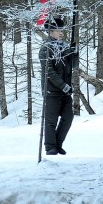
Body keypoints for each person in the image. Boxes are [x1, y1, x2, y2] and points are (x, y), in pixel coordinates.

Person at [39, 16, 79, 156]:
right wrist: (63, 86)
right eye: (58, 30)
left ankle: (58, 144)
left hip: (65, 91)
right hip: (52, 91)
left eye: (62, 30)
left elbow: (73, 66)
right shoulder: (46, 49)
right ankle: (50, 147)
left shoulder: (64, 47)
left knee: (68, 117)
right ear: (50, 32)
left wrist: (74, 53)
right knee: (51, 121)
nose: (61, 33)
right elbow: (49, 72)